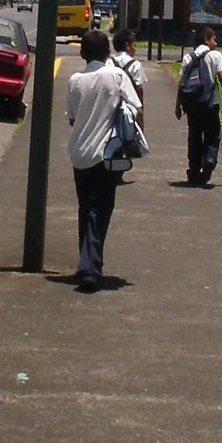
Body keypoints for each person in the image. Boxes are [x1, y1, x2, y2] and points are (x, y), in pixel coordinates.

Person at [67, 29, 142, 291]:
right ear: (108, 52)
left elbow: (72, 119)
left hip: (78, 153)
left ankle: (84, 259)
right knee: (100, 211)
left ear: (82, 54)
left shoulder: (75, 80)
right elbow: (136, 108)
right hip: (106, 154)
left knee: (85, 207)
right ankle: (90, 267)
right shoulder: (117, 76)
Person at [175, 25, 222, 186]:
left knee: (194, 136)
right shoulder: (215, 55)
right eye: (214, 39)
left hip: (192, 104)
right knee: (213, 134)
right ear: (206, 40)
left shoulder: (189, 57)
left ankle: (193, 170)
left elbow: (182, 83)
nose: (216, 42)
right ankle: (209, 159)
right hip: (210, 103)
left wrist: (178, 104)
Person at [112, 27, 147, 125]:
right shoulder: (135, 64)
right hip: (130, 109)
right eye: (134, 45)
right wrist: (140, 110)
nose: (135, 49)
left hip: (111, 107)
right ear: (127, 46)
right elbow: (139, 89)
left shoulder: (109, 62)